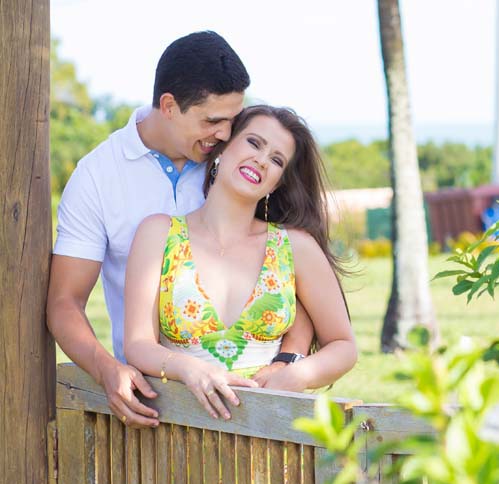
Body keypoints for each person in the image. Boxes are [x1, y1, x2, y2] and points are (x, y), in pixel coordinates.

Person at [47, 32, 312, 430]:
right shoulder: (97, 177)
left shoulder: (238, 161)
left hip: (261, 409)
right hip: (156, 406)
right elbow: (64, 301)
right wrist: (106, 369)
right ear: (169, 106)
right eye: (212, 121)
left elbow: (292, 266)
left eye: (232, 120)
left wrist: (289, 358)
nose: (225, 134)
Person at [123, 105, 357, 422]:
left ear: (276, 183)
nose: (261, 160)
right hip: (179, 430)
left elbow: (343, 345)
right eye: (254, 143)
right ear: (223, 148)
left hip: (272, 431)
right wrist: (189, 369)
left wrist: (296, 374)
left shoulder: (295, 247)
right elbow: (138, 344)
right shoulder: (159, 233)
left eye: (277, 160)